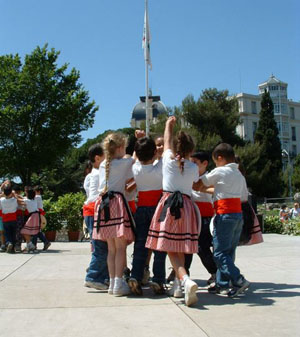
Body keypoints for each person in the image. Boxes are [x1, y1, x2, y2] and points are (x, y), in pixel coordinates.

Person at [145, 117, 201, 307]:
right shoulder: (193, 167)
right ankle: (179, 285)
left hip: (168, 204)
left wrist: (168, 125)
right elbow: (194, 181)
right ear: (190, 150)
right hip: (186, 206)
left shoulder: (168, 160)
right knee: (181, 247)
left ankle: (184, 280)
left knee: (169, 245)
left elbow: (167, 141)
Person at [199, 143, 250, 297]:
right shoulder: (239, 174)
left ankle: (238, 279)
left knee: (219, 253)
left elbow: (202, 183)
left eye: (215, 161)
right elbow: (243, 197)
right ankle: (222, 284)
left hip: (224, 214)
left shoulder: (220, 171)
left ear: (220, 158)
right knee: (229, 251)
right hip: (237, 215)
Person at [92, 132, 136, 296]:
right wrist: (138, 141)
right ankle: (118, 283)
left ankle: (112, 283)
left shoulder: (104, 164)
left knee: (111, 248)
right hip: (117, 203)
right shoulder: (124, 163)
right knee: (121, 247)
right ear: (119, 148)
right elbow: (135, 161)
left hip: (102, 204)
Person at [128, 136, 167, 296]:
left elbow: (135, 157)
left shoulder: (136, 168)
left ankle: (135, 276)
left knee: (140, 245)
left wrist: (139, 141)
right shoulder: (160, 168)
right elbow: (167, 153)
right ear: (154, 153)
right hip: (158, 209)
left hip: (141, 209)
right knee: (159, 246)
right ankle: (158, 279)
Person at [84, 144, 109, 291]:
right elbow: (93, 196)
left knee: (102, 246)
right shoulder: (96, 174)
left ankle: (103, 276)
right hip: (94, 211)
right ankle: (92, 277)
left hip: (92, 211)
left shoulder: (92, 174)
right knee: (100, 247)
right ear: (98, 158)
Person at [190, 151, 217, 284]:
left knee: (202, 247)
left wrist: (201, 188)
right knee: (186, 247)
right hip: (191, 216)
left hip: (206, 217)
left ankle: (215, 272)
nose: (192, 166)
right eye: (191, 163)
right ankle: (182, 273)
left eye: (195, 163)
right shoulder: (189, 176)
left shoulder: (210, 177)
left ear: (205, 163)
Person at [0, 183, 24, 253]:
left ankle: (8, 243)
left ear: (4, 192)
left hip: (5, 219)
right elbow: (20, 203)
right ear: (11, 192)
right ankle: (12, 247)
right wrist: (15, 195)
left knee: (7, 233)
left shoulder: (1, 200)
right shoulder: (14, 200)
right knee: (13, 233)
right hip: (13, 218)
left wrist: (2, 195)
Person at [21, 186, 41, 253]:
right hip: (36, 215)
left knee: (24, 231)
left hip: (32, 216)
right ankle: (29, 246)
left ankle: (30, 245)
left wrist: (13, 195)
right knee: (32, 231)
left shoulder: (25, 200)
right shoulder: (34, 199)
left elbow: (19, 200)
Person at [32, 186, 51, 251]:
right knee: (37, 230)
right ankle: (45, 242)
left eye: (35, 191)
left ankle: (34, 245)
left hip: (38, 214)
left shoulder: (37, 197)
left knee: (35, 230)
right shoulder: (38, 197)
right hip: (39, 214)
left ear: (38, 191)